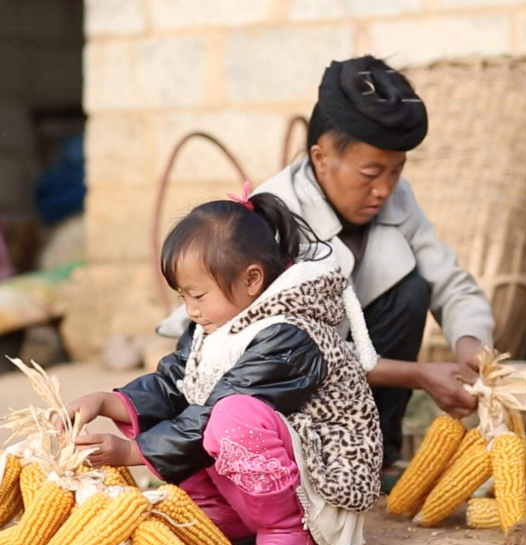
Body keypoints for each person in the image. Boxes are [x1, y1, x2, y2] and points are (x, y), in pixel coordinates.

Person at [159, 56, 496, 484]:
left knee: (410, 290)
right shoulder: (270, 221)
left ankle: (378, 452)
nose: (384, 189)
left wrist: (473, 349)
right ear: (320, 158)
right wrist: (420, 375)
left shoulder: (396, 197)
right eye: (371, 173)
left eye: (396, 172)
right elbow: (291, 350)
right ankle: (296, 464)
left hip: (335, 356)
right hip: (267, 368)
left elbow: (449, 282)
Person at [60, 189, 383, 545]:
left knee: (232, 415)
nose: (190, 310)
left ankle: (284, 530)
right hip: (261, 482)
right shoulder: (214, 327)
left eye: (197, 295)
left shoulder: (292, 337)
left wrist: (131, 452)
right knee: (191, 406)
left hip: (319, 492)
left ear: (251, 279)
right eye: (183, 296)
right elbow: (175, 385)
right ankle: (226, 515)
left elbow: (216, 411)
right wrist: (106, 402)